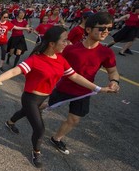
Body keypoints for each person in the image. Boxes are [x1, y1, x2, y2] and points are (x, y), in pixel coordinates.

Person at [0, 26, 117, 168]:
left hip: (44, 98)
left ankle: (9, 122)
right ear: (52, 44)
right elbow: (14, 71)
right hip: (30, 98)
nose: (68, 43)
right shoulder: (35, 60)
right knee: (40, 129)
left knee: (25, 112)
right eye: (64, 41)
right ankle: (36, 152)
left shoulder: (61, 59)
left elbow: (75, 76)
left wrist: (98, 88)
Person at [48, 12, 120, 155]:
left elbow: (113, 71)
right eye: (101, 28)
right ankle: (24, 113)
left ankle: (56, 138)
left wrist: (114, 81)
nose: (105, 32)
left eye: (109, 29)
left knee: (74, 119)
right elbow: (53, 60)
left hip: (84, 91)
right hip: (64, 87)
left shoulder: (106, 52)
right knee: (43, 105)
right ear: (88, 30)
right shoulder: (71, 49)